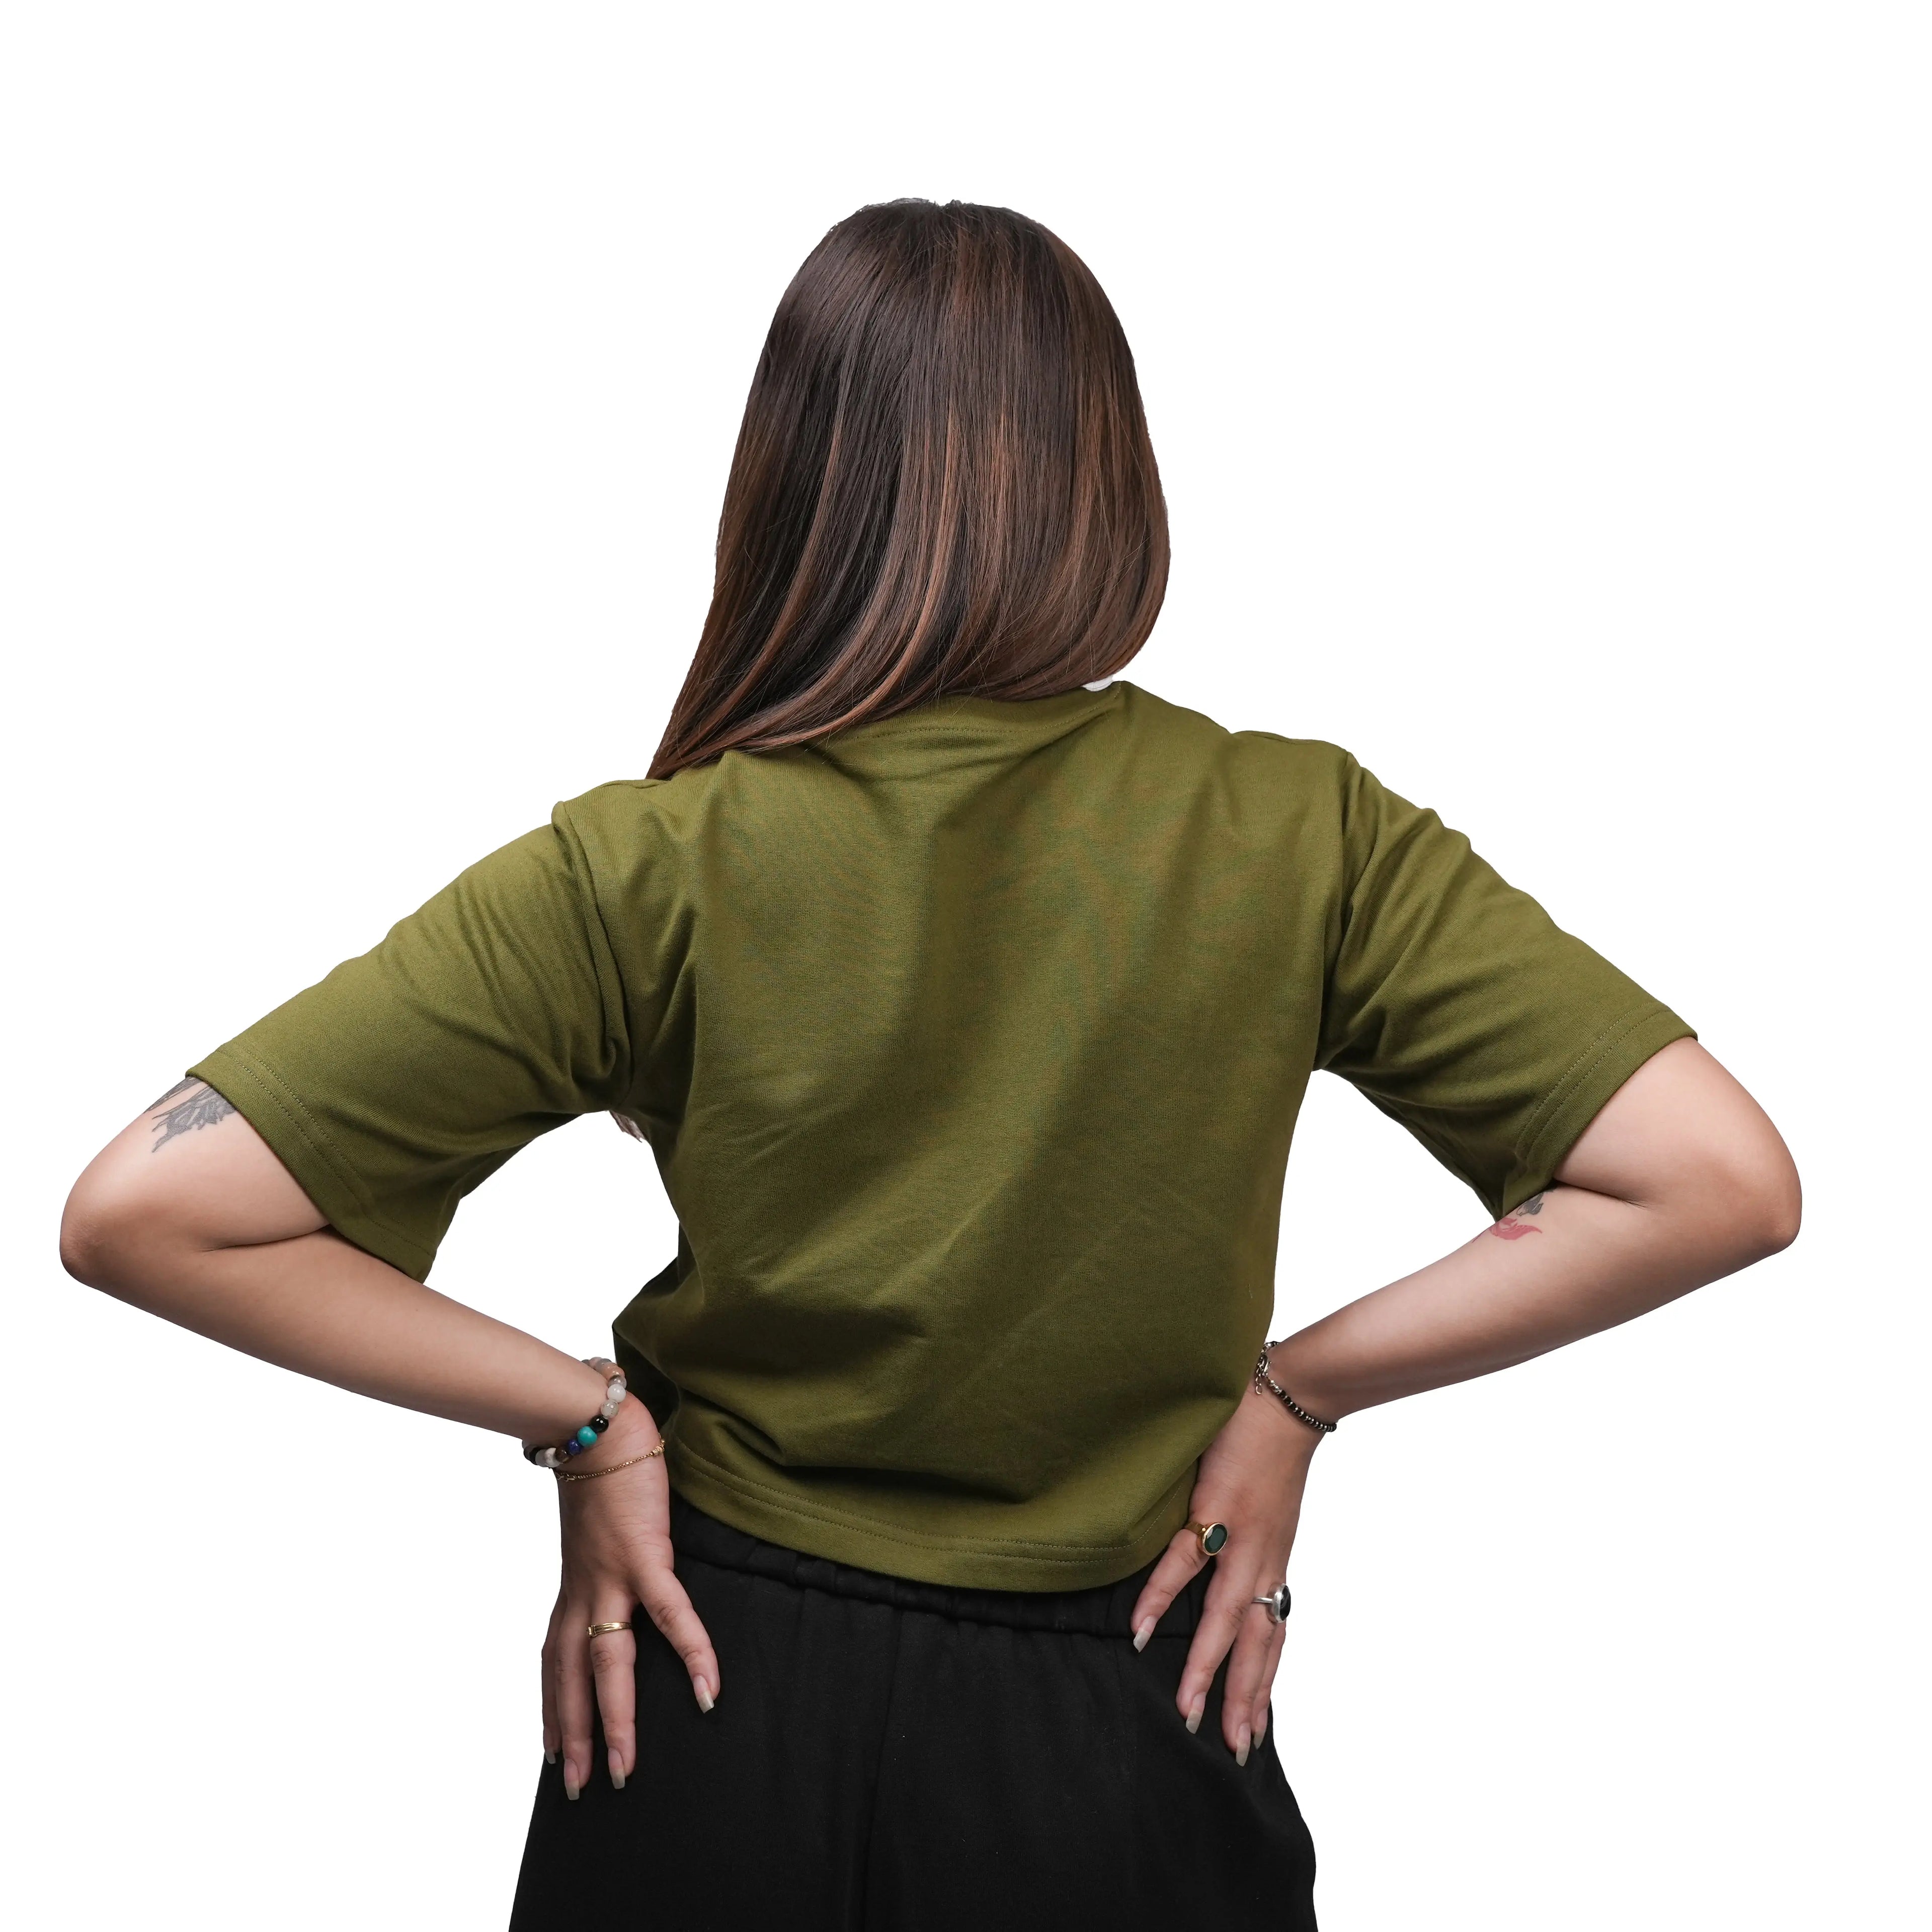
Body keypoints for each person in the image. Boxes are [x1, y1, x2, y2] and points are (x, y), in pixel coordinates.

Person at [60, 199, 1799, 1931]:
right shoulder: (1299, 833)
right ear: (1108, 478)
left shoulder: (648, 865)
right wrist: (1299, 1394)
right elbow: (1712, 1179)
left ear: (791, 485)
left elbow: (153, 1207)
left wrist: (589, 1425)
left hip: (707, 1695)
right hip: (1125, 1718)